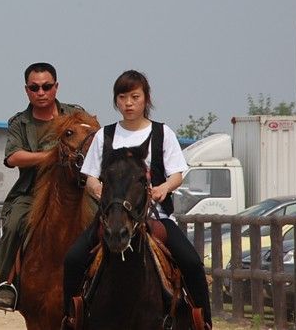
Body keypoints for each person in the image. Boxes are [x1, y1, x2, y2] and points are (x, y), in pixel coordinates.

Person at [62, 70, 211, 328]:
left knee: (192, 263)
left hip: (157, 218)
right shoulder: (104, 135)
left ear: (145, 99)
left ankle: (203, 322)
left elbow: (177, 174)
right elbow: (90, 176)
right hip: (110, 217)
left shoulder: (163, 133)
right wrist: (96, 189)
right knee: (73, 259)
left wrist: (164, 187)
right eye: (122, 97)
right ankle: (71, 318)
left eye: (134, 96)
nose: (128, 103)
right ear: (116, 101)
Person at [0, 62, 84, 311]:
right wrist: (53, 156)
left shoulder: (75, 115)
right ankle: (6, 284)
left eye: (46, 86)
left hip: (75, 192)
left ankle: (111, 282)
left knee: (107, 219)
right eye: (34, 87)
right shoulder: (19, 123)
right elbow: (13, 157)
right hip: (31, 194)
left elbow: (93, 142)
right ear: (26, 90)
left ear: (56, 87)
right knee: (12, 225)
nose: (40, 92)